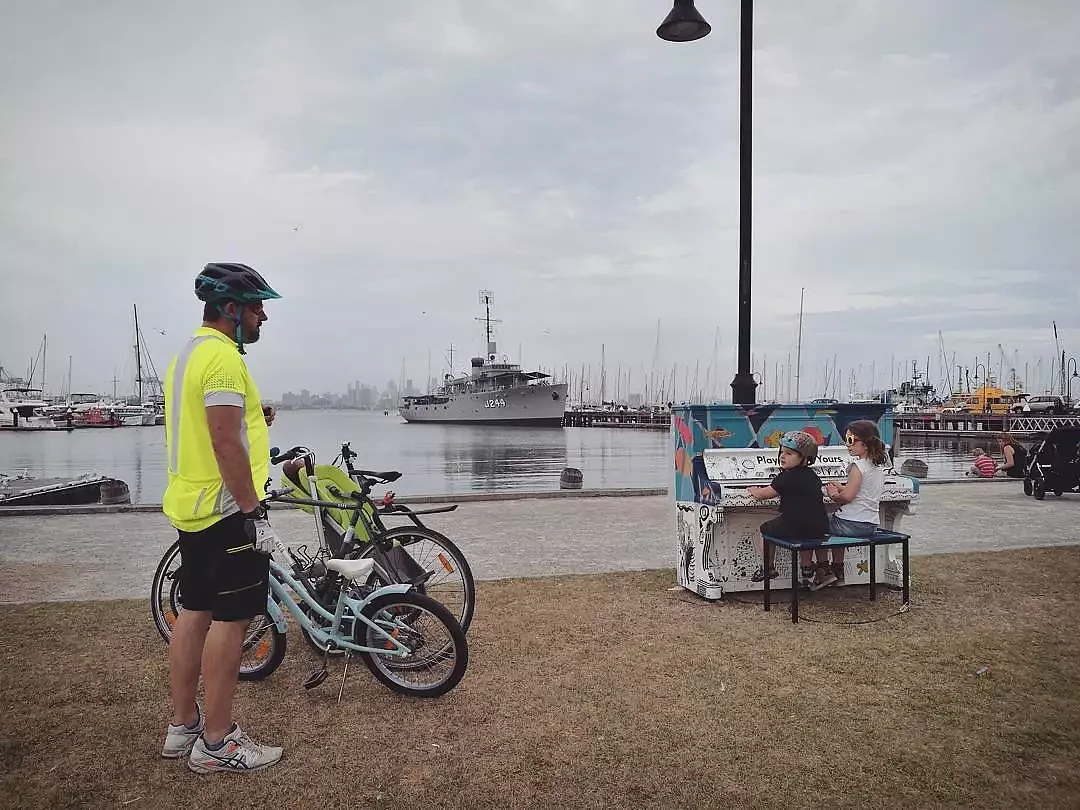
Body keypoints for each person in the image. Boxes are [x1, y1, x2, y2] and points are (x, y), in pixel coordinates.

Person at [160, 263, 285, 774]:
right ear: (230, 310)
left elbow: (216, 425)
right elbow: (223, 440)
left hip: (192, 509)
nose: (262, 317)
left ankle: (182, 727)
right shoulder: (225, 360)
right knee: (232, 623)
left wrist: (258, 415)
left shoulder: (189, 356)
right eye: (257, 306)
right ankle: (217, 743)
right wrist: (253, 511)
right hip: (228, 511)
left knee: (194, 614)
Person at [748, 431, 831, 589]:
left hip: (794, 526)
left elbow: (762, 495)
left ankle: (768, 568)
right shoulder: (814, 476)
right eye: (781, 452)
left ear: (805, 458)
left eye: (789, 453)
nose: (782, 456)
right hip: (819, 526)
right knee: (808, 534)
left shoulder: (785, 477)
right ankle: (807, 569)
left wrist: (753, 490)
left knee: (765, 530)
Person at [824, 420, 888, 588]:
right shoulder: (877, 466)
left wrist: (833, 494)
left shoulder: (856, 466)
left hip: (851, 524)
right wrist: (841, 486)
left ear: (865, 444)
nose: (847, 445)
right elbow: (860, 490)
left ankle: (822, 571)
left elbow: (847, 497)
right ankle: (838, 570)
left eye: (851, 441)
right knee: (836, 523)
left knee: (815, 523)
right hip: (870, 524)